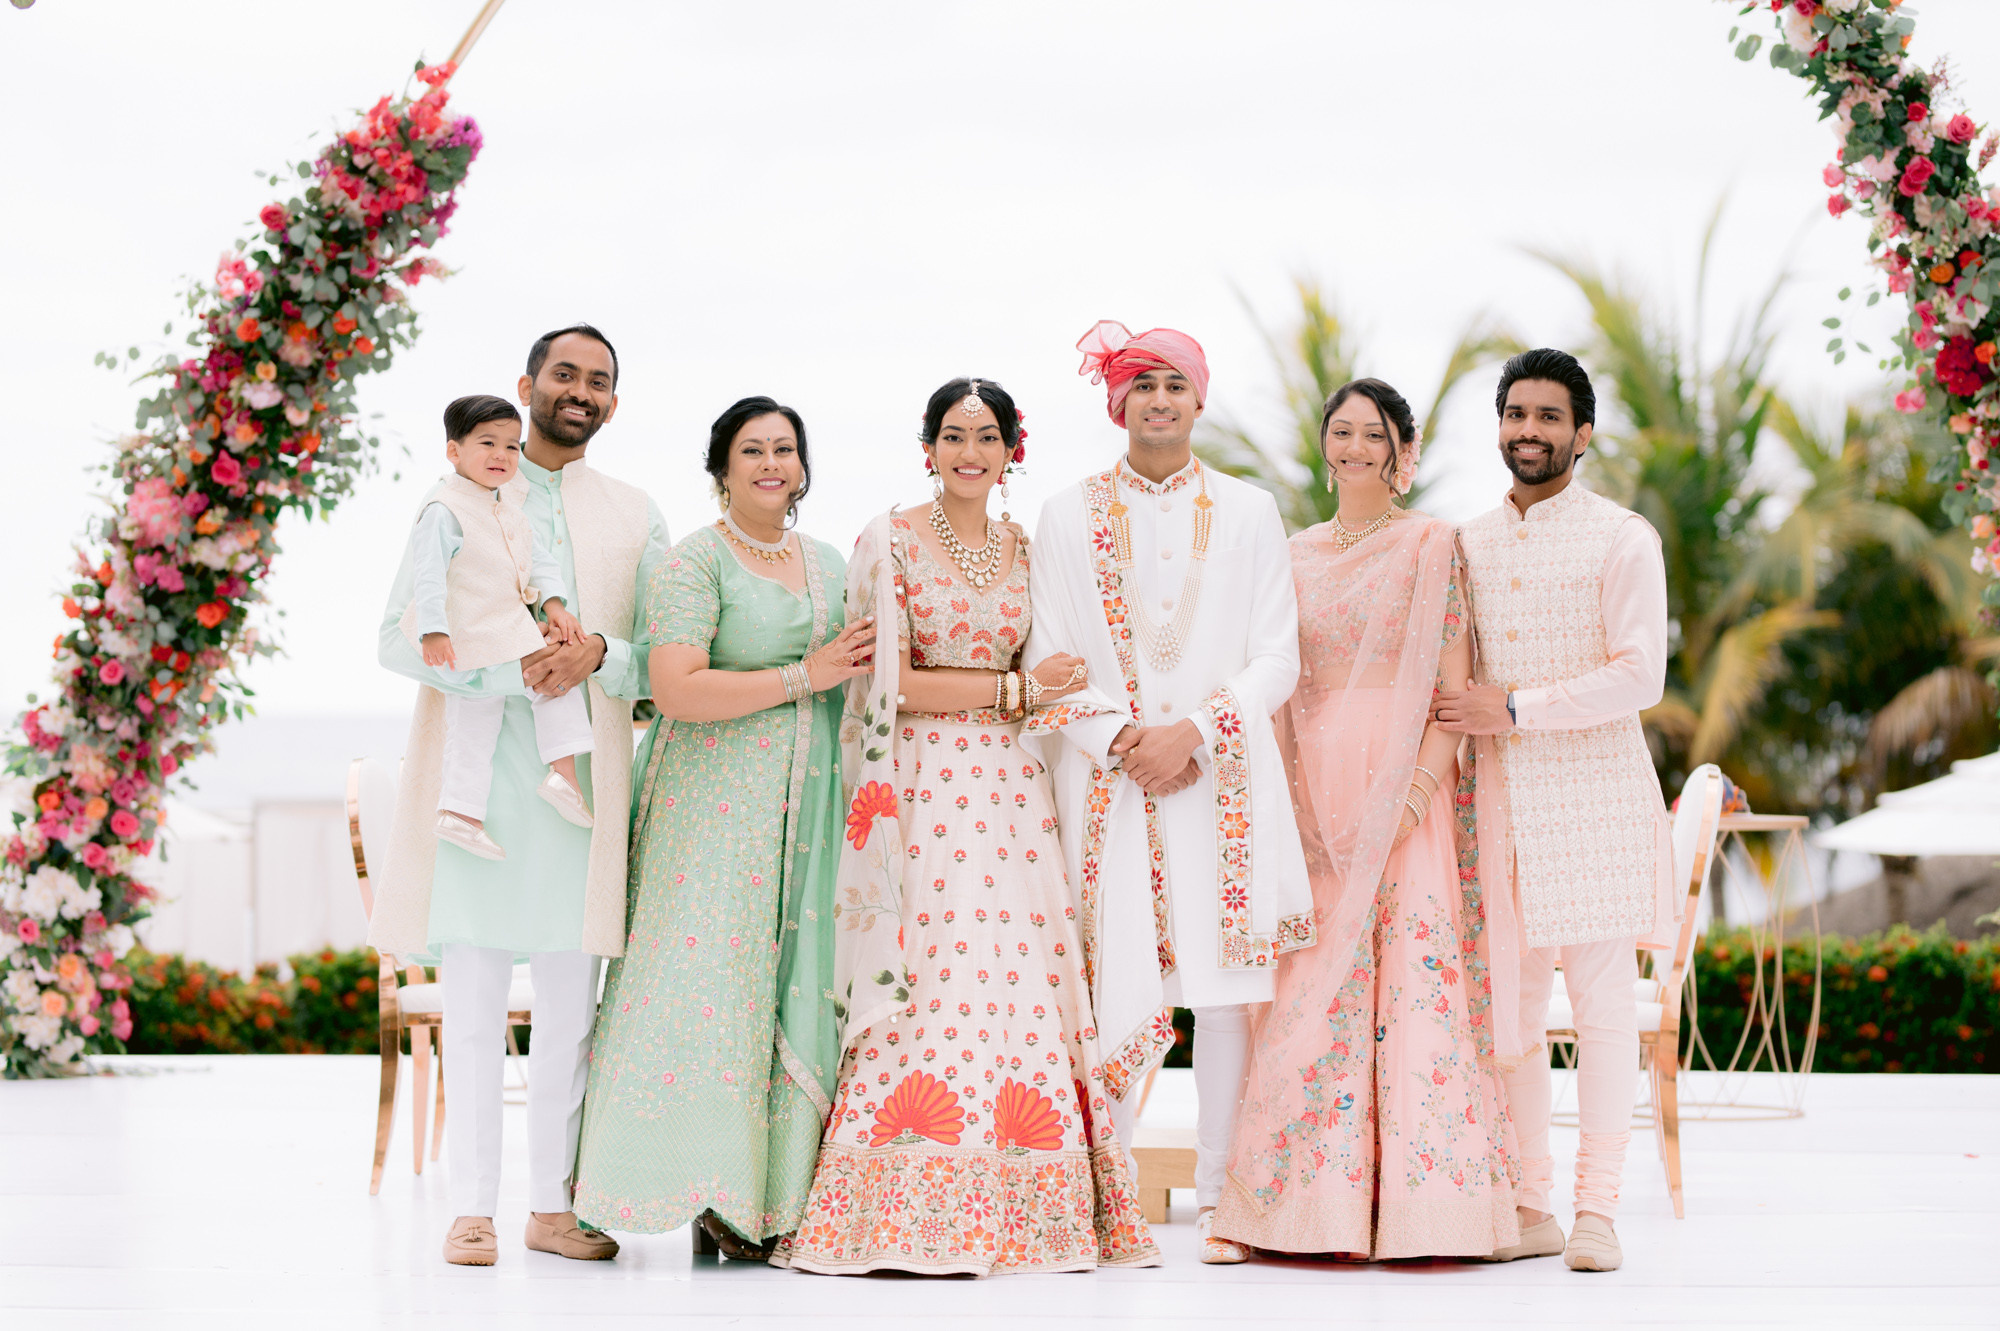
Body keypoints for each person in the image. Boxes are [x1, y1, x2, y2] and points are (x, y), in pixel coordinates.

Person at [781, 378, 1160, 1276]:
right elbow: (888, 680)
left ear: (1009, 451)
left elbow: (1067, 662)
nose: (969, 453)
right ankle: (902, 1192)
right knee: (930, 965)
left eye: (986, 437)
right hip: (918, 782)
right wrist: (1016, 691)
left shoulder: (1028, 549)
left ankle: (1031, 1202)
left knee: (1018, 968)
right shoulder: (891, 538)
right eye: (954, 435)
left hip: (1012, 789)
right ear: (928, 445)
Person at [368, 324, 670, 1267]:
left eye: (599, 380)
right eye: (564, 374)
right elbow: (395, 641)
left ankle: (552, 1205)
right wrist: (511, 676)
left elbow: (664, 660)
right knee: (472, 1004)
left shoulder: (633, 513)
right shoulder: (455, 499)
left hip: (582, 790)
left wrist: (601, 657)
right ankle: (470, 1211)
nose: (580, 391)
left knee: (572, 1018)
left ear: (614, 402)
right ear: (527, 384)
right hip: (476, 794)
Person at [1212, 379, 1521, 1260]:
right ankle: (1296, 1210)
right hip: (1312, 802)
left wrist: (1415, 795)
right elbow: (1276, 683)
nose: (1354, 446)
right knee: (1311, 996)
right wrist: (1283, 803)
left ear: (1400, 449)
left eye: (1372, 433)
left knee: (1414, 995)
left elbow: (1452, 693)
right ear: (1325, 444)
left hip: (1406, 808)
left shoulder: (1433, 546)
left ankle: (1429, 1216)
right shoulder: (1294, 554)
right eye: (1340, 431)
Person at [1025, 322, 1314, 1265]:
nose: (1158, 399)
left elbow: (1280, 654)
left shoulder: (1249, 509)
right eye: (1141, 384)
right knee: (1112, 984)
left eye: (1174, 384)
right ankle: (1104, 1196)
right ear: (1118, 402)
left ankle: (1224, 1197)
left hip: (1220, 780)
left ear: (1199, 399)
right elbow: (1047, 656)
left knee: (1225, 996)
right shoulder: (1066, 516)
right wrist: (1121, 740)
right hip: (1111, 784)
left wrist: (1192, 732)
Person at [571, 395, 877, 1260]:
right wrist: (801, 675)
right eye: (753, 450)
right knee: (698, 985)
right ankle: (665, 1178)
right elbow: (673, 689)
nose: (771, 464)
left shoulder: (826, 561)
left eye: (785, 449)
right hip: (707, 810)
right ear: (722, 468)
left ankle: (762, 1202)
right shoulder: (692, 563)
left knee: (787, 985)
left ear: (804, 467)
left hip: (806, 804)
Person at [1433, 347, 1677, 1274]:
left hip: (1598, 803)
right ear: (1499, 426)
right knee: (1513, 1016)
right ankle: (1532, 1201)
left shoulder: (1624, 536)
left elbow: (1639, 675)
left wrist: (1517, 707)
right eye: (1515, 415)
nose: (1528, 432)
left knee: (1606, 1012)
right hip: (1494, 805)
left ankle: (1599, 1211)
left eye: (1547, 417)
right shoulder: (1464, 543)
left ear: (1583, 433)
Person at [400, 394, 595, 862]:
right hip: (470, 631)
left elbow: (537, 559)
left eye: (511, 446)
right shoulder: (444, 508)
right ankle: (563, 775)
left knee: (478, 720)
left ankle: (461, 814)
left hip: (498, 629)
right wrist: (434, 630)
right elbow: (426, 574)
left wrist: (553, 604)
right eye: (488, 443)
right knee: (551, 679)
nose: (502, 455)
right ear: (454, 451)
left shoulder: (506, 504)